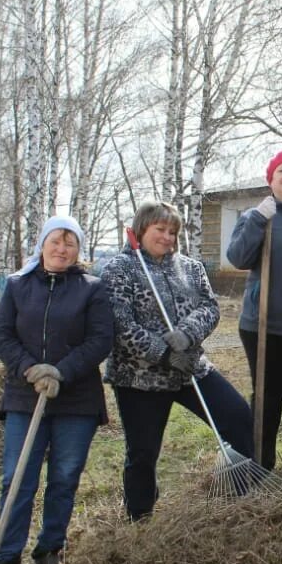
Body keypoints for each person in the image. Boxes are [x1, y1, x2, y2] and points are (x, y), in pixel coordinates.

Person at [102, 201, 254, 520]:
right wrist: (163, 353)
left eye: (173, 232)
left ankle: (245, 493)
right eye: (160, 230)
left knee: (240, 418)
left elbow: (210, 309)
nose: (168, 237)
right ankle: (140, 516)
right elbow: (120, 325)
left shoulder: (190, 267)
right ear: (141, 230)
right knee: (143, 453)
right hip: (140, 378)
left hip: (191, 370)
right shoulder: (119, 269)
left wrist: (186, 334)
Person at [0, 215, 113, 564]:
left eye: (70, 243)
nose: (61, 249)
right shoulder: (17, 286)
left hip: (76, 398)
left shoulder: (92, 289)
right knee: (17, 478)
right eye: (55, 241)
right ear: (42, 245)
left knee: (64, 476)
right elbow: (3, 336)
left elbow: (100, 340)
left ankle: (49, 550)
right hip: (25, 397)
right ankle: (7, 561)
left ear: (79, 250)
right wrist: (31, 370)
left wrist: (60, 372)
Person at [226, 150, 282, 482]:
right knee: (266, 394)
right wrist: (257, 220)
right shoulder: (256, 214)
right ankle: (260, 462)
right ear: (271, 179)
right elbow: (238, 257)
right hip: (261, 324)